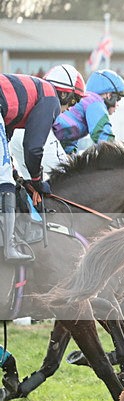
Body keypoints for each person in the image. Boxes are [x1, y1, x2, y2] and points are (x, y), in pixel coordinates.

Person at [0, 65, 85, 262]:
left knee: (6, 172)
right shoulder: (50, 97)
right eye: (75, 100)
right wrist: (37, 180)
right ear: (65, 93)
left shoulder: (28, 98)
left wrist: (17, 173)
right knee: (4, 178)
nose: (71, 107)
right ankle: (9, 245)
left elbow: (7, 142)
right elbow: (32, 147)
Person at [52, 69, 124, 154]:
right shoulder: (95, 101)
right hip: (48, 134)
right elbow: (103, 137)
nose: (117, 105)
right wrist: (120, 155)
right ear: (109, 95)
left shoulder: (86, 102)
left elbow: (67, 142)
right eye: (118, 99)